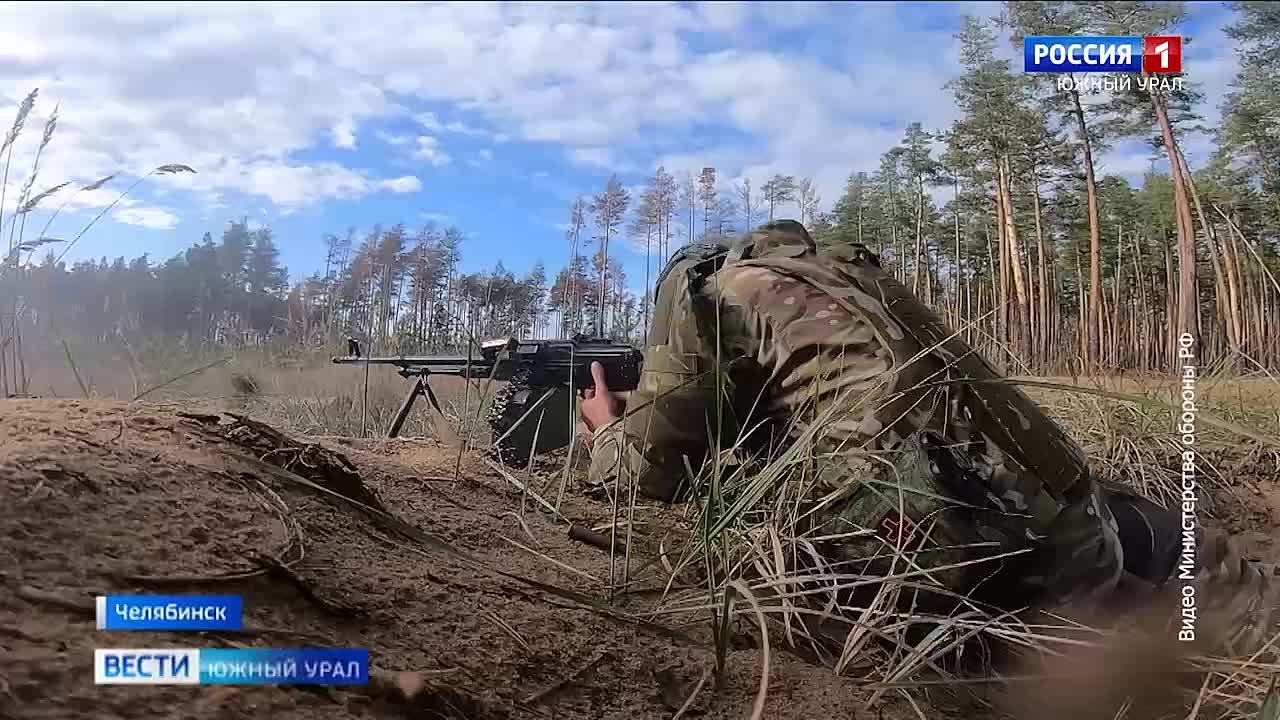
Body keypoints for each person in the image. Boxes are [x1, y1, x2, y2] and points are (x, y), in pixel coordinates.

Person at [576, 219, 1274, 653]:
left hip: (961, 551)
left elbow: (654, 476)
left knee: (760, 527)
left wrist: (608, 427)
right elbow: (865, 396)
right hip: (1067, 509)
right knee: (1152, 540)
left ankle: (1111, 624)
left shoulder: (703, 287)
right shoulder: (841, 273)